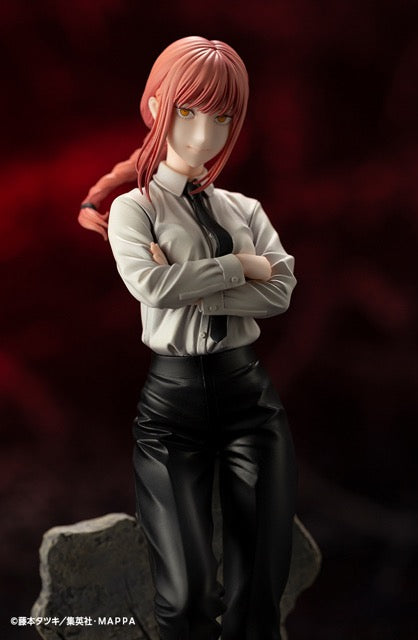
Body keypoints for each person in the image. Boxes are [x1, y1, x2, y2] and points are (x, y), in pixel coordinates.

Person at [78, 36, 298, 640]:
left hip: (249, 396)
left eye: (223, 118)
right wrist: (238, 267)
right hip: (173, 407)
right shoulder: (135, 209)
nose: (204, 135)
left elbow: (280, 292)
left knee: (259, 590)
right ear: (156, 106)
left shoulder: (245, 208)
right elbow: (150, 286)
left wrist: (192, 284)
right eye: (188, 112)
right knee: (185, 596)